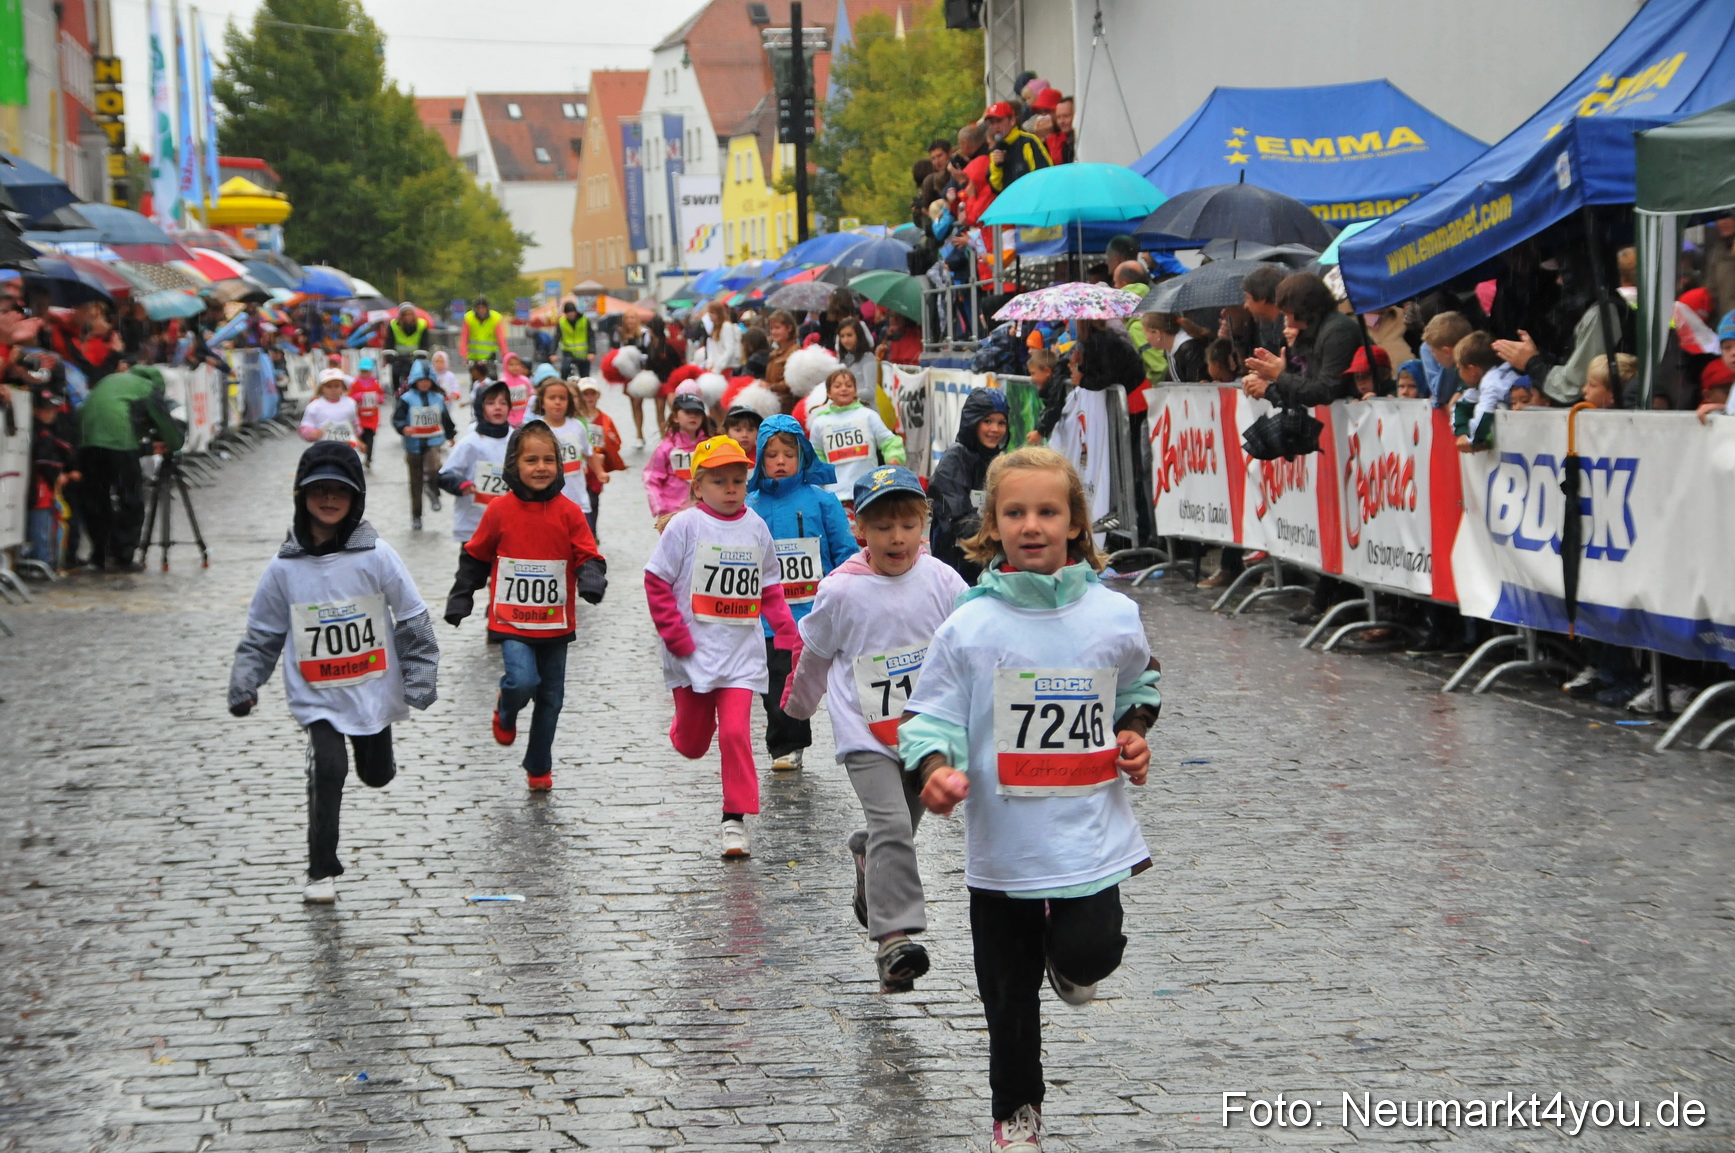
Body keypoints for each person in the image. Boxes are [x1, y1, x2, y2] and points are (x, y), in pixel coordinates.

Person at [899, 446, 1160, 1153]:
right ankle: (1017, 1113)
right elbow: (931, 715)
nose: (1031, 524)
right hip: (1005, 845)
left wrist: (1133, 733)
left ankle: (1070, 962)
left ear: (1075, 521)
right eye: (1014, 512)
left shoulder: (1113, 614)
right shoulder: (969, 624)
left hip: (1088, 832)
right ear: (992, 523)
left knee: (1092, 951)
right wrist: (935, 765)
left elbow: (1138, 683)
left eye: (1048, 510)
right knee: (1006, 997)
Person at [780, 464, 969, 991]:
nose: (897, 537)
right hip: (865, 735)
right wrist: (796, 710)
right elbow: (814, 655)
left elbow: (972, 643)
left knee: (897, 832)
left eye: (908, 524)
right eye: (883, 526)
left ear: (923, 526)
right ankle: (894, 942)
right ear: (859, 529)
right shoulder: (840, 591)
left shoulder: (942, 579)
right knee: (893, 827)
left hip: (925, 736)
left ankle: (866, 858)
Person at [227, 441, 441, 903]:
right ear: (302, 497)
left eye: (338, 491)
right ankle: (320, 870)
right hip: (316, 695)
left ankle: (376, 756)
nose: (328, 499)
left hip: (372, 692)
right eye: (318, 491)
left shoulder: (377, 555)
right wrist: (245, 684)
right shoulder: (283, 568)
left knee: (376, 774)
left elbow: (411, 615)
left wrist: (420, 675)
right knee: (329, 767)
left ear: (355, 498)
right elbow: (263, 634)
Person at [642, 435, 802, 859]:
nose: (731, 488)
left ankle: (735, 819)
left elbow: (768, 586)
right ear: (698, 487)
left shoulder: (756, 527)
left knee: (734, 734)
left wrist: (786, 630)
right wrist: (674, 633)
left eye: (738, 479)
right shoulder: (684, 526)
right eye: (719, 481)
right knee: (693, 743)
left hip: (739, 655)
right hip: (691, 655)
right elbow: (656, 581)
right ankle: (682, 730)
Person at [443, 420, 608, 790]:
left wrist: (591, 578)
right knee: (522, 679)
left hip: (555, 623)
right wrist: (461, 596)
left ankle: (538, 765)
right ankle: (506, 706)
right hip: (512, 620)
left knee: (551, 698)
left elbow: (588, 553)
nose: (541, 468)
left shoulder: (568, 512)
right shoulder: (500, 510)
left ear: (560, 464)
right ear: (514, 465)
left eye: (549, 459)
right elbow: (476, 555)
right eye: (531, 460)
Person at [745, 414, 857, 773]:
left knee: (837, 680)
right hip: (770, 622)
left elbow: (845, 551)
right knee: (777, 681)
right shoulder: (749, 505)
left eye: (788, 454)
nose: (780, 461)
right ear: (760, 460)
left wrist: (852, 589)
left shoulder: (823, 502)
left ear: (803, 456)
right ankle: (787, 744)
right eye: (772, 455)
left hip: (818, 613)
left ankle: (863, 738)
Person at [77, 365, 183, 573]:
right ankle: (122, 556)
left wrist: (145, 447)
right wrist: (175, 442)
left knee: (96, 500)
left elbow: (115, 417)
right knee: (130, 498)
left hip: (85, 440)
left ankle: (100, 553)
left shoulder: (112, 380)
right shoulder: (147, 388)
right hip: (118, 441)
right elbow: (166, 427)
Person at [1241, 273, 1359, 407]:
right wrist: (1281, 372)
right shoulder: (1308, 332)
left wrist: (1278, 376)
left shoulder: (1337, 333)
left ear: (1299, 310)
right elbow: (1305, 382)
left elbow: (1325, 391)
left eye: (1286, 312)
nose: (1285, 320)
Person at [929, 388, 1008, 585]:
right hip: (956, 561)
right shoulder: (954, 460)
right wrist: (1005, 536)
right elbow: (958, 519)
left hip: (989, 558)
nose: (995, 430)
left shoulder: (999, 461)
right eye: (987, 421)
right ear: (972, 422)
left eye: (1001, 423)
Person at [805, 368, 907, 507]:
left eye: (849, 385)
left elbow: (889, 441)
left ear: (855, 390)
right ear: (828, 392)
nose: (844, 389)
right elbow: (816, 456)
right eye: (837, 385)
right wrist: (818, 485)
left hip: (869, 491)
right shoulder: (819, 423)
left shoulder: (868, 415)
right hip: (836, 495)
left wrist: (894, 459)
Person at [438, 381, 513, 545]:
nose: (498, 407)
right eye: (491, 403)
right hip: (473, 527)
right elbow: (444, 476)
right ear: (480, 407)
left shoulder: (518, 440)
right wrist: (461, 485)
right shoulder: (470, 443)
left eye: (503, 403)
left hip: (509, 526)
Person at [393, 362, 457, 530]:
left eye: (427, 380)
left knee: (435, 468)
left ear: (433, 381)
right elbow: (397, 418)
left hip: (433, 442)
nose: (424, 383)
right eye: (421, 380)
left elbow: (445, 419)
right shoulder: (406, 399)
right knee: (415, 482)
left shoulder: (438, 398)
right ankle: (416, 516)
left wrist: (451, 435)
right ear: (414, 381)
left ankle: (433, 491)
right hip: (413, 445)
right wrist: (402, 427)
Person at [534, 376, 602, 524]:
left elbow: (588, 453)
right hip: (547, 502)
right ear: (542, 402)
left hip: (578, 502)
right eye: (552, 398)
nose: (557, 402)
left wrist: (600, 472)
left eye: (562, 398)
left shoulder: (577, 426)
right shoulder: (536, 429)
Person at [644, 393, 712, 523]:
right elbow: (651, 478)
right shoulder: (665, 447)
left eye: (697, 413)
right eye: (687, 412)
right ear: (675, 417)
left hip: (705, 512)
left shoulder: (709, 446)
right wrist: (660, 507)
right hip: (672, 512)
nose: (693, 416)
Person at [573, 376, 626, 533]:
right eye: (585, 394)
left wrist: (605, 455)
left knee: (593, 500)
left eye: (592, 393)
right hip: (577, 469)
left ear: (598, 395)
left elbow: (615, 442)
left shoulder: (605, 420)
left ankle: (592, 532)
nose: (589, 397)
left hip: (595, 470)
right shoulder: (574, 419)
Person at [983, 101, 1052, 193]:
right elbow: (996, 189)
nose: (995, 126)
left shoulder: (1029, 141)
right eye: (992, 123)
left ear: (1012, 120)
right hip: (1010, 203)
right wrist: (997, 167)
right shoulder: (995, 150)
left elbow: (1045, 174)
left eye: (999, 121)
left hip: (1031, 199)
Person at [349, 358, 384, 467]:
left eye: (367, 371)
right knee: (362, 436)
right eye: (363, 371)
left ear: (371, 371)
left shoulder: (375, 383)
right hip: (360, 417)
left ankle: (369, 458)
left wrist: (379, 398)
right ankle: (362, 451)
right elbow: (350, 397)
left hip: (372, 417)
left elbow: (381, 396)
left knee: (370, 437)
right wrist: (357, 396)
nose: (365, 373)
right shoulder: (355, 384)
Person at [386, 302, 430, 386]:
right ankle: (396, 392)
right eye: (405, 315)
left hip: (415, 358)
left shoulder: (422, 325)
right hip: (398, 358)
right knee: (394, 374)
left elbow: (425, 343)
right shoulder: (393, 325)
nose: (407, 317)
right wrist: (389, 355)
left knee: (419, 376)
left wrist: (423, 352)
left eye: (410, 314)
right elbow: (389, 343)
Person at [460, 295, 506, 373]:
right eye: (478, 308)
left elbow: (501, 338)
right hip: (473, 357)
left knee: (492, 380)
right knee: (475, 381)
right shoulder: (469, 318)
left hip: (490, 356)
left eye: (483, 308)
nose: (481, 310)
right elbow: (464, 338)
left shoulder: (495, 318)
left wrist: (505, 355)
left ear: (487, 308)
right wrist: (464, 357)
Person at [701, 301, 742, 375]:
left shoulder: (726, 326)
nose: (709, 315)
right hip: (716, 368)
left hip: (726, 367)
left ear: (718, 313)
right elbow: (712, 350)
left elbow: (729, 349)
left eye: (712, 312)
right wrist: (710, 364)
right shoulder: (715, 328)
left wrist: (718, 367)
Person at [556, 300, 592, 379]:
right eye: (568, 312)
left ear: (575, 312)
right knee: (565, 370)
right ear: (565, 313)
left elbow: (591, 336)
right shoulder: (562, 322)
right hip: (568, 353)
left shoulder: (584, 320)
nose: (570, 314)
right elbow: (556, 337)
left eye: (572, 312)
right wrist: (552, 353)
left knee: (585, 377)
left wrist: (592, 352)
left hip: (583, 354)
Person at [500, 353, 535, 428]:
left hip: (524, 416)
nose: (515, 367)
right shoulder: (502, 382)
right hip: (508, 417)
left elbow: (531, 394)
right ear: (505, 366)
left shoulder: (525, 380)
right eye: (511, 365)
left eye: (517, 364)